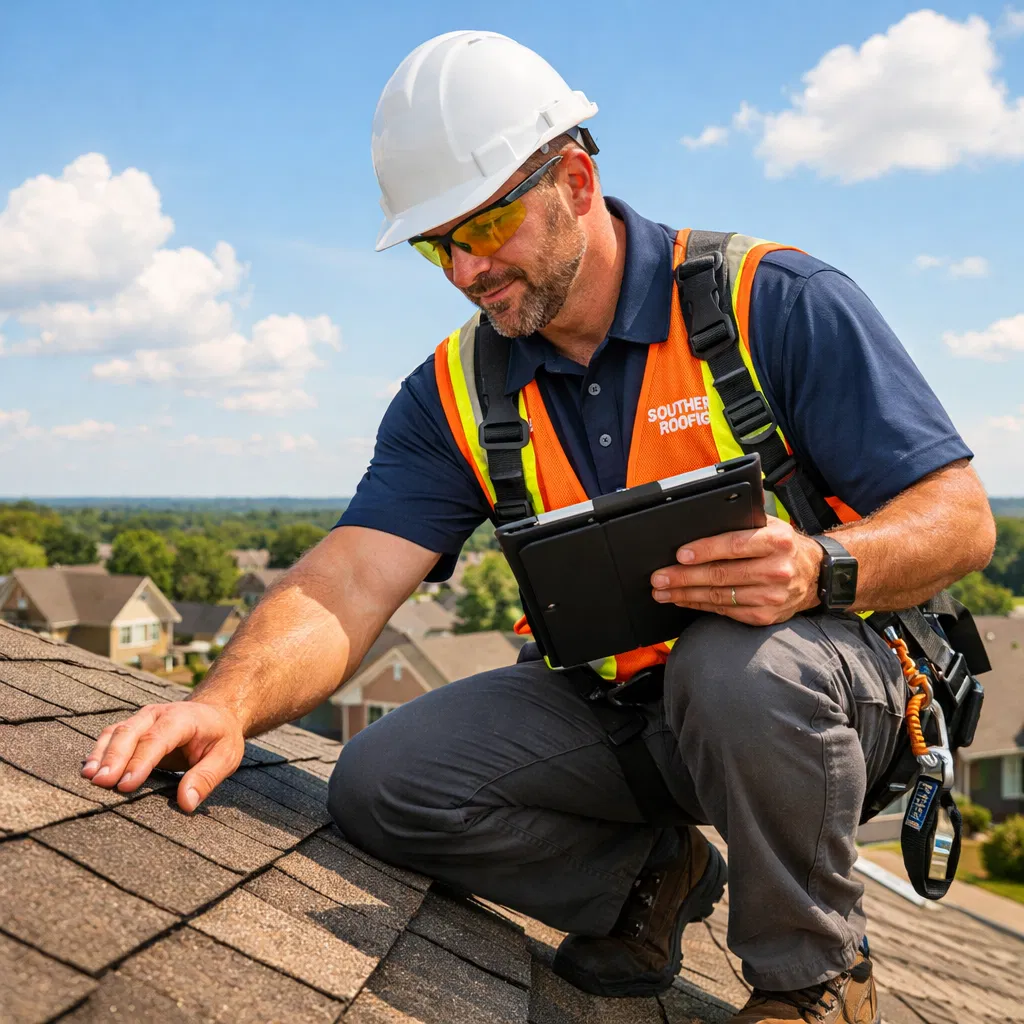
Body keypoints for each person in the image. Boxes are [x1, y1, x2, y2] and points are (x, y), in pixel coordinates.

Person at [81, 31, 995, 1024]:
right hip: (625, 716)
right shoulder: (456, 392)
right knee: (382, 781)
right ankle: (652, 878)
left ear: (576, 178)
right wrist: (225, 703)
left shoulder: (768, 302)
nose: (468, 270)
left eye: (490, 226)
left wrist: (821, 565)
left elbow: (960, 522)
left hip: (810, 704)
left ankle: (812, 979)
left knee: (736, 668)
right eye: (440, 245)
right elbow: (348, 578)